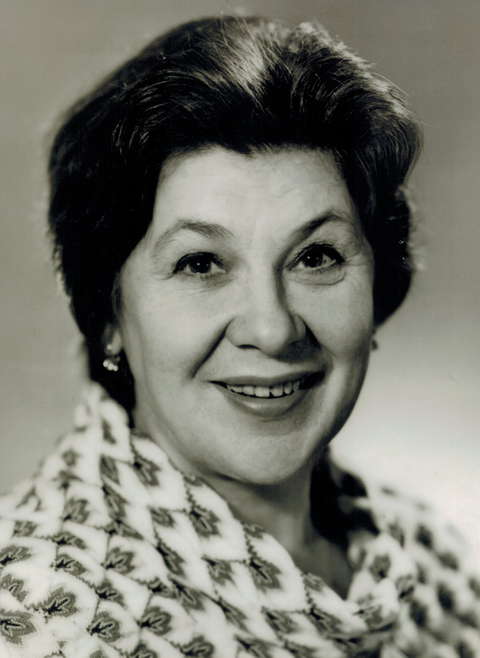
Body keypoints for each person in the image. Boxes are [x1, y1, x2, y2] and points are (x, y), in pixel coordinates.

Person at [0, 14, 478, 658]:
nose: (273, 328)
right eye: (201, 264)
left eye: (316, 257)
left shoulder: (434, 571)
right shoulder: (39, 616)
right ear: (108, 315)